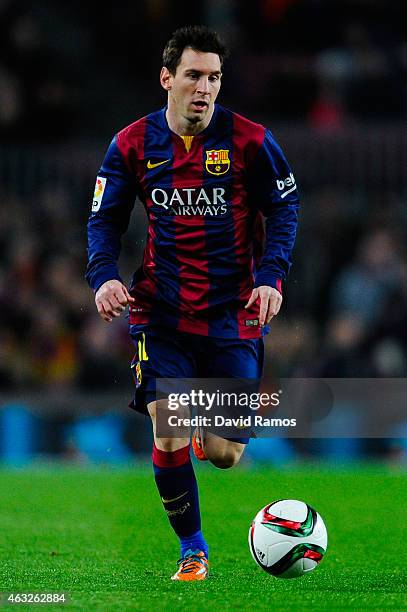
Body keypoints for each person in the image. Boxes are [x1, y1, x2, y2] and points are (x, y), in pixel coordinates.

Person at [86, 25, 299, 581]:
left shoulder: (251, 141)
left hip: (234, 315)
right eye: (194, 76)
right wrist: (104, 277)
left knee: (225, 454)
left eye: (214, 78)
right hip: (161, 312)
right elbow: (104, 219)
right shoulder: (132, 143)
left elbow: (285, 211)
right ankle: (193, 549)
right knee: (169, 426)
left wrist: (272, 276)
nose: (205, 88)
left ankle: (206, 437)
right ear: (167, 79)